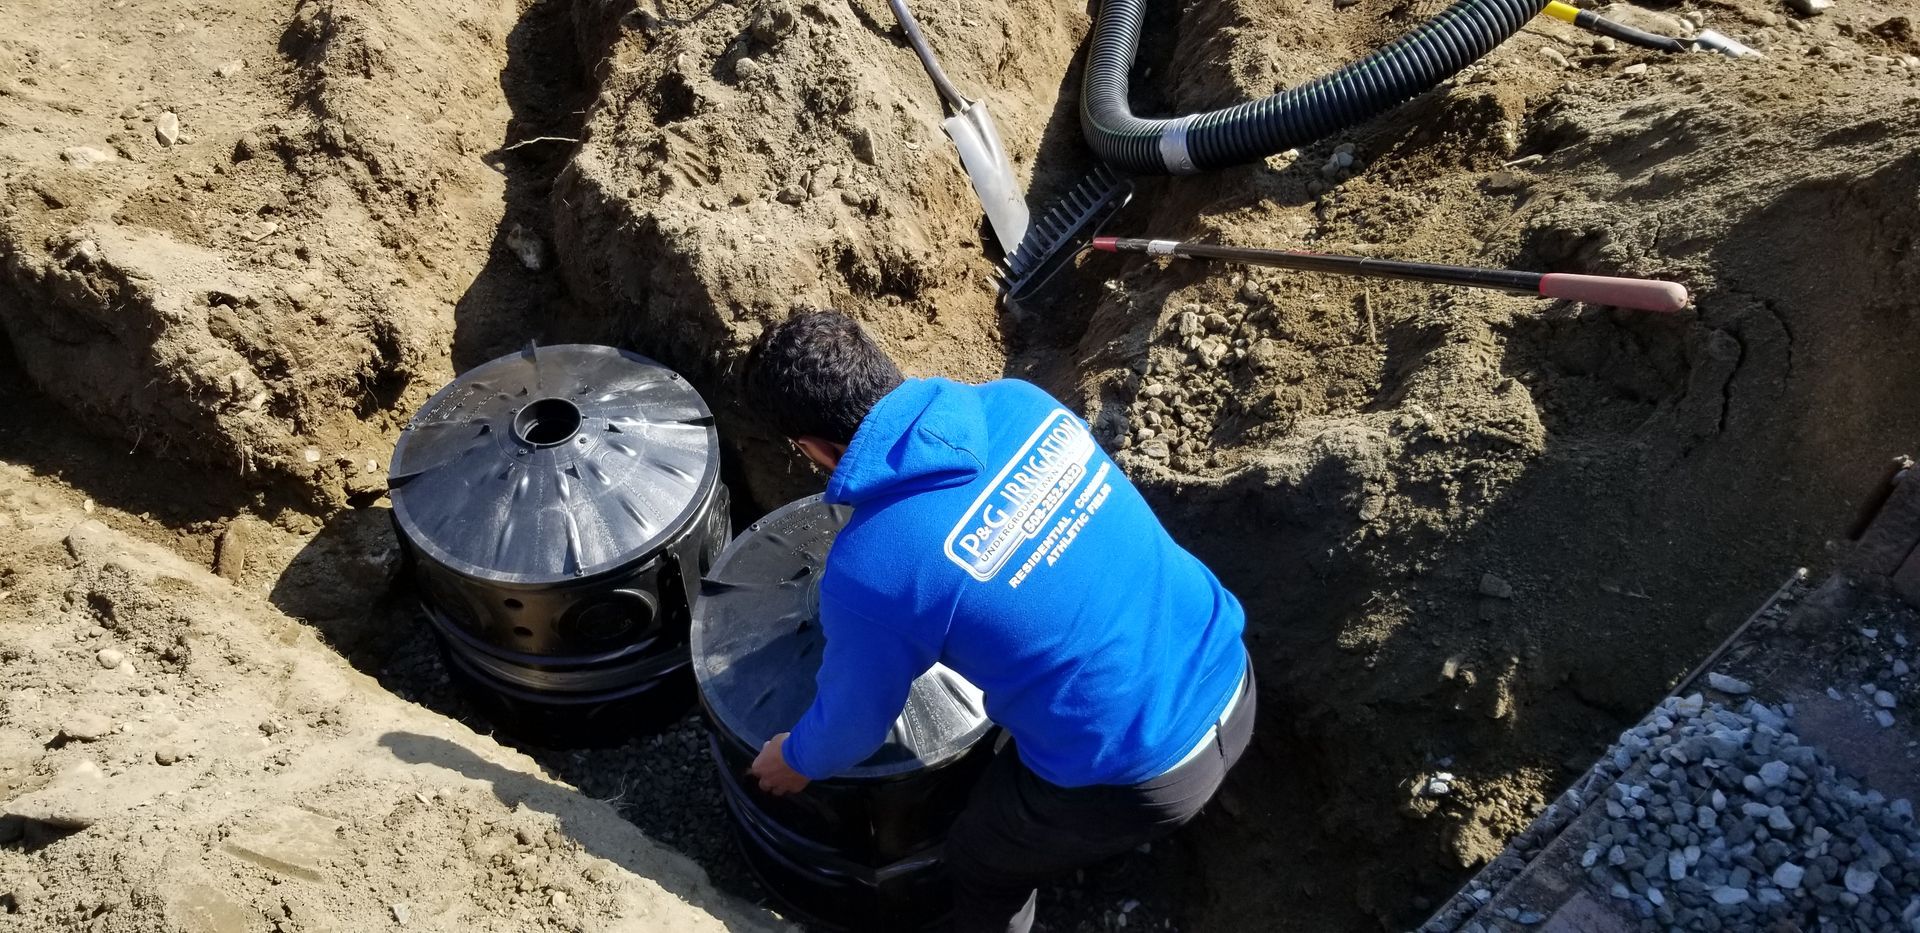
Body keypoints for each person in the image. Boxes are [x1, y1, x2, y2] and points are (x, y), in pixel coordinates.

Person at [742, 310, 1253, 933]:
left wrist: (794, 760)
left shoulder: (870, 568)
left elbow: (852, 727)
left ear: (815, 449)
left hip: (1139, 771)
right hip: (1230, 666)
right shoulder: (1021, 402)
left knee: (981, 858)